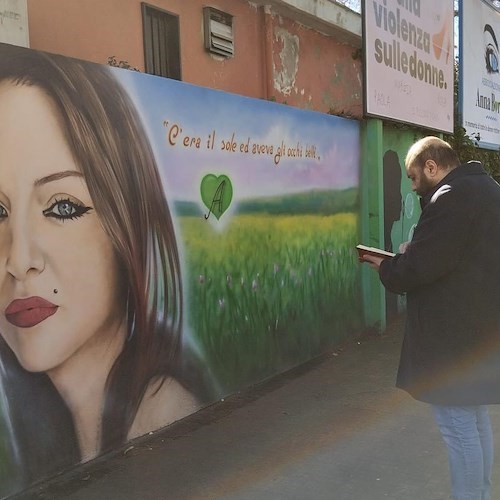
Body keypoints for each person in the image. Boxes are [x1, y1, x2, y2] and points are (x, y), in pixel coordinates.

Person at [0, 44, 213, 491]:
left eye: (61, 207)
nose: (18, 261)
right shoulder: (46, 427)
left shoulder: (165, 422)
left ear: (126, 225)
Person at [363, 136, 500, 500]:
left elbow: (425, 266)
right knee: (473, 420)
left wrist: (390, 265)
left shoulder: (450, 197)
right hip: (478, 330)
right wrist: (415, 253)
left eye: (412, 177)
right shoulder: (487, 188)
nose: (411, 186)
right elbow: (456, 255)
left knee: (458, 428)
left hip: (452, 337)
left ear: (431, 167)